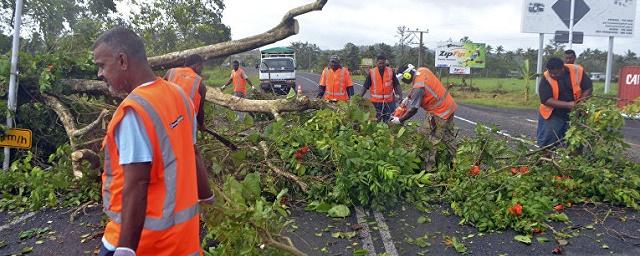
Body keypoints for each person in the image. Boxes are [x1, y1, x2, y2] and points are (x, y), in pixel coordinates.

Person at [93, 27, 213, 256]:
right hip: (182, 243)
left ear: (122, 60)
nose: (100, 74)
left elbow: (136, 184)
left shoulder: (134, 111)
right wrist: (208, 196)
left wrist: (126, 249)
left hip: (142, 244)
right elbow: (193, 152)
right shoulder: (180, 96)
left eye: (102, 65)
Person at [391, 64, 458, 153]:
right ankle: (457, 156)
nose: (403, 81)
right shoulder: (423, 70)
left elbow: (413, 109)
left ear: (407, 75)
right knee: (441, 135)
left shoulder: (418, 88)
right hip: (447, 106)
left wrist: (400, 120)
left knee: (432, 139)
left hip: (441, 112)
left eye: (403, 79)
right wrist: (408, 97)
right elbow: (421, 85)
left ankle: (431, 164)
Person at [536, 57, 592, 147]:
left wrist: (581, 102)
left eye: (556, 73)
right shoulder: (546, 77)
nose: (553, 75)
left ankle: (573, 160)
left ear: (562, 68)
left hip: (575, 114)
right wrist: (568, 105)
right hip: (553, 114)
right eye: (551, 73)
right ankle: (545, 159)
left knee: (575, 142)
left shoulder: (577, 70)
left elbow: (588, 87)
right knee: (547, 143)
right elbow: (546, 100)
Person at [164, 54, 207, 131]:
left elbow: (160, 89)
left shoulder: (171, 72)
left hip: (167, 117)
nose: (202, 70)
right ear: (198, 65)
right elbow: (200, 111)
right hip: (187, 124)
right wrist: (201, 124)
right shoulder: (200, 84)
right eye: (202, 67)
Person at [360, 54, 403, 122]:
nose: (381, 65)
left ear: (385, 62)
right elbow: (365, 87)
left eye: (383, 63)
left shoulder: (390, 71)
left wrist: (400, 96)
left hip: (389, 102)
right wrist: (359, 97)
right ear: (376, 63)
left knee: (390, 121)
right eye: (380, 63)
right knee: (376, 121)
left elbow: (396, 85)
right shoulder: (372, 72)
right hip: (375, 103)